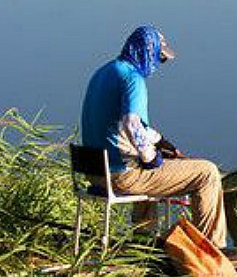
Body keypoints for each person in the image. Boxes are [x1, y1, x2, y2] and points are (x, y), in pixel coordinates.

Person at [80, 25, 228, 248]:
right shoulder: (133, 79)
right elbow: (131, 123)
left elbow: (123, 124)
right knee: (207, 173)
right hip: (121, 176)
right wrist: (150, 157)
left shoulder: (103, 73)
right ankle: (213, 250)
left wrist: (161, 143)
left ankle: (141, 243)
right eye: (160, 57)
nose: (159, 64)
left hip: (95, 172)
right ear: (147, 52)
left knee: (145, 167)